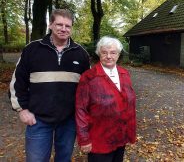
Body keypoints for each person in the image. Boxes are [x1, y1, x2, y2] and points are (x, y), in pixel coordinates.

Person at [10, 9, 90, 162]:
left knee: (64, 159)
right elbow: (17, 82)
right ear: (50, 25)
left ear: (71, 28)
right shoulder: (32, 49)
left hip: (69, 120)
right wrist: (22, 109)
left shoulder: (81, 54)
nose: (63, 29)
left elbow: (88, 89)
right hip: (38, 119)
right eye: (59, 24)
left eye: (68, 26)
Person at [75, 36, 136, 162]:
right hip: (99, 139)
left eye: (113, 52)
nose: (109, 56)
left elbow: (128, 103)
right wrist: (84, 139)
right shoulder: (89, 77)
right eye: (104, 52)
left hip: (120, 137)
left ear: (118, 55)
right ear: (99, 54)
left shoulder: (124, 74)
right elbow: (81, 109)